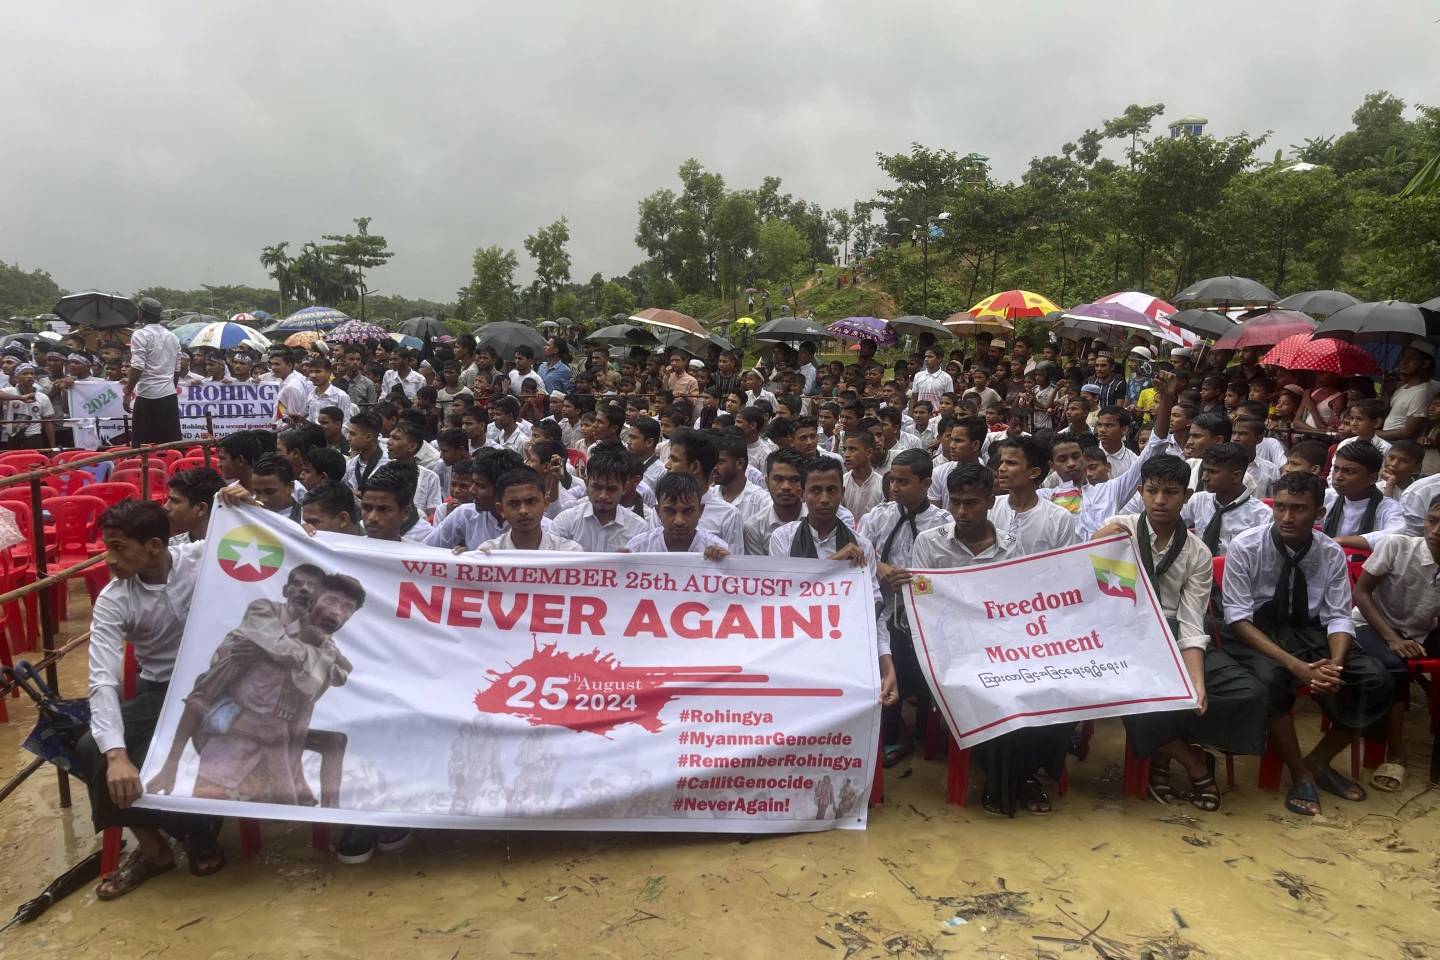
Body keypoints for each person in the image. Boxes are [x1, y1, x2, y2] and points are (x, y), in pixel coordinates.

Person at [1093, 456, 1267, 811]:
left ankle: (1162, 755)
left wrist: (1197, 680)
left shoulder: (1197, 553)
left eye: (1170, 493)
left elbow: (1190, 622)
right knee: (1143, 693)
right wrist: (1096, 544)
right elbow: (1078, 584)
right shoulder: (1118, 529)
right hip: (1121, 636)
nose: (1160, 500)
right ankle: (1194, 763)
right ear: (1140, 492)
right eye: (1152, 491)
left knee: (1246, 691)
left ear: (1186, 495)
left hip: (1173, 636)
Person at [72, 501, 223, 899]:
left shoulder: (201, 557)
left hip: (219, 685)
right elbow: (102, 680)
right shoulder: (113, 599)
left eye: (119, 548)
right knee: (94, 747)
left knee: (223, 739)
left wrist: (247, 502)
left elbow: (268, 539)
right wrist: (116, 755)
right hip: (161, 691)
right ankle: (160, 846)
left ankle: (195, 830)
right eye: (107, 547)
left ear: (154, 546)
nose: (109, 559)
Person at [1221, 471, 1394, 816]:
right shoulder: (1246, 546)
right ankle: (1299, 771)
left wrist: (1335, 663)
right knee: (1271, 679)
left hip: (1309, 632)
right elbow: (1238, 619)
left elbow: (1339, 616)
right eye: (1281, 507)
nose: (1287, 517)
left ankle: (1319, 760)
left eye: (1299, 509)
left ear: (1318, 513)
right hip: (1259, 632)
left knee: (1377, 679)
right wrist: (1295, 665)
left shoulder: (1329, 552)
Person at [767, 455, 897, 707]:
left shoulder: (862, 546)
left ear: (842, 493)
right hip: (794, 654)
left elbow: (873, 614)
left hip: (847, 656)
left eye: (831, 490)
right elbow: (782, 599)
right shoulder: (783, 538)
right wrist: (833, 565)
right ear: (802, 493)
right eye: (816, 490)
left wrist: (887, 665)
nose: (824, 498)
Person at [858, 449, 948, 766]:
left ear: (925, 483)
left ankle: (927, 727)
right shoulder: (878, 516)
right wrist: (879, 567)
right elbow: (859, 551)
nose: (895, 487)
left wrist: (921, 580)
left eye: (903, 481)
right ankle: (893, 734)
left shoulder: (942, 523)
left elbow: (951, 567)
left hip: (928, 614)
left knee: (926, 675)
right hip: (888, 611)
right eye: (893, 480)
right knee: (889, 666)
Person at [1351, 495, 1440, 793]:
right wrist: (1391, 637)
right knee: (1394, 668)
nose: (1436, 530)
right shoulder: (1399, 546)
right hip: (1371, 624)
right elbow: (1362, 594)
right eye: (1433, 520)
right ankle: (1395, 751)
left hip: (1420, 631)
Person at [550, 445, 650, 551]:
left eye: (612, 489)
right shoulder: (566, 522)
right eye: (597, 487)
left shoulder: (639, 529)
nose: (603, 496)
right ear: (587, 484)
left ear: (624, 488)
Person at [989, 436, 1077, 554]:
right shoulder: (989, 508)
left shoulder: (1059, 518)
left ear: (1034, 472)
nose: (1001, 468)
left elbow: (1066, 565)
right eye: (1001, 462)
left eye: (1011, 463)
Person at [1181, 443, 1271, 556]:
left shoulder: (1261, 515)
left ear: (1236, 476)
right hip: (1198, 569)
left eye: (1212, 472)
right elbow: (1173, 525)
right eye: (1204, 470)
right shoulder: (1198, 500)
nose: (1204, 478)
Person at [664, 428, 744, 554]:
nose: (667, 465)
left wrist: (722, 557)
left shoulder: (728, 515)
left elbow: (735, 567)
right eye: (670, 511)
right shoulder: (662, 505)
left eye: (674, 460)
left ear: (695, 467)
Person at [1322, 441, 1405, 552]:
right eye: (1336, 469)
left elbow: (1397, 535)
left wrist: (1342, 541)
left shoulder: (1388, 507)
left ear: (1371, 478)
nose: (1337, 477)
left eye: (1349, 471)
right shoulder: (1327, 497)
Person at [476, 467, 582, 552]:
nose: (523, 511)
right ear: (501, 509)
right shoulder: (488, 554)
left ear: (545, 503)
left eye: (531, 501)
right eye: (513, 504)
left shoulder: (570, 552)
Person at [626, 472, 730, 555]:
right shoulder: (638, 548)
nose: (679, 521)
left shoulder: (719, 551)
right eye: (670, 511)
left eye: (688, 511)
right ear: (658, 511)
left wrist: (725, 565)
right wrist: (619, 566)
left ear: (701, 511)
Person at [123, 298, 182, 444]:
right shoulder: (172, 336)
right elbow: (177, 369)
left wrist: (128, 392)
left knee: (142, 446)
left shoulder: (140, 334)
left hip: (147, 396)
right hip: (168, 396)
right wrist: (171, 389)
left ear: (141, 313)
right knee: (170, 444)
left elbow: (137, 366)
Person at [359, 460, 433, 543]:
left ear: (405, 513)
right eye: (367, 508)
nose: (372, 517)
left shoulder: (420, 553)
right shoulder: (348, 548)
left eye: (383, 509)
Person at [1378, 341, 1437, 442]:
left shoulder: (1422, 392)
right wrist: (1387, 392)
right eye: (1403, 358)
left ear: (1425, 364)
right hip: (1385, 442)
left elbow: (1408, 432)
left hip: (1398, 445)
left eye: (1411, 359)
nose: (1403, 362)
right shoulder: (1403, 387)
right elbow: (1388, 414)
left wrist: (1372, 433)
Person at [164, 466, 225, 545]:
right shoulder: (171, 548)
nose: (165, 507)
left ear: (201, 509)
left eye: (175, 501)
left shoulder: (237, 548)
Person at [2, 363, 55, 449]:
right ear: (16, 378)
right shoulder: (9, 391)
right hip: (11, 438)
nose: (29, 376)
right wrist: (20, 397)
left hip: (34, 438)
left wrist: (52, 446)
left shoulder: (42, 397)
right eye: (25, 374)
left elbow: (48, 423)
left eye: (32, 373)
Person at [841, 429, 884, 522]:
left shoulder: (882, 485)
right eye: (845, 449)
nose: (846, 454)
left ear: (869, 453)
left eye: (852, 449)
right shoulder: (841, 482)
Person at [343, 412, 388, 493]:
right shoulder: (350, 464)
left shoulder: (388, 464)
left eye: (352, 434)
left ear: (368, 437)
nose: (348, 438)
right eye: (348, 433)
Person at [250, 453, 302, 523]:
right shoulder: (249, 512)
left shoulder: (306, 518)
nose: (262, 499)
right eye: (257, 492)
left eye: (269, 492)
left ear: (290, 487)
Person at [269, 348, 311, 426]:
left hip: (288, 434)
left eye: (277, 364)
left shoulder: (291, 387)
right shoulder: (289, 380)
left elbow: (293, 421)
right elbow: (283, 410)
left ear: (289, 366)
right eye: (272, 364)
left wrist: (274, 428)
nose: (273, 367)